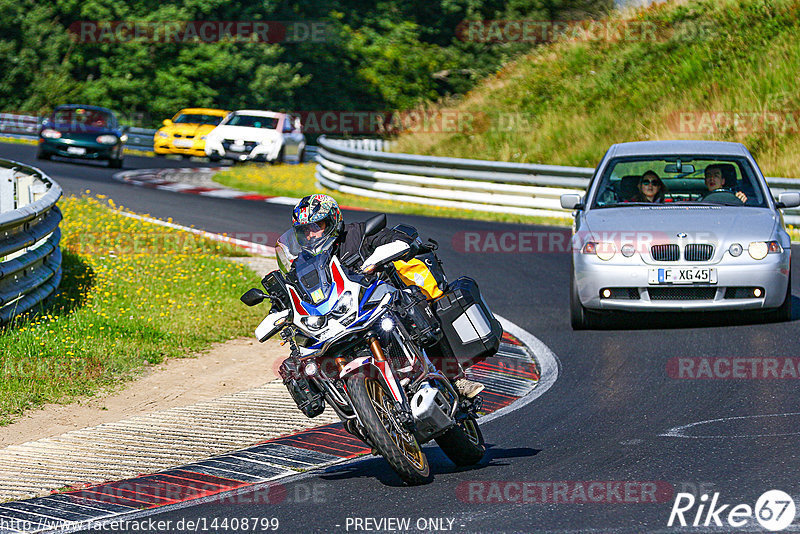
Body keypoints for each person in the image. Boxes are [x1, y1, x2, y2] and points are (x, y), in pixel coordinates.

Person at [286, 193, 485, 399]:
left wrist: (381, 257)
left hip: (380, 302)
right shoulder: (303, 261)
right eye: (305, 230)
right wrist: (280, 306)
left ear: (333, 221)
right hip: (340, 317)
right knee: (304, 357)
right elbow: (292, 286)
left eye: (316, 226)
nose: (310, 234)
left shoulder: (358, 234)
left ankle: (456, 378)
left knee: (412, 300)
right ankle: (353, 408)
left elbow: (398, 239)